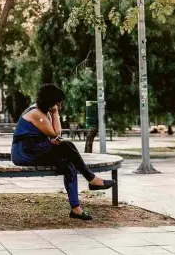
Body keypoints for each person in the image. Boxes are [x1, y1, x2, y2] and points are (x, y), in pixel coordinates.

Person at [11, 84, 115, 221]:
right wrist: (55, 113)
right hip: (25, 153)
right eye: (59, 102)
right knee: (67, 146)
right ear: (52, 102)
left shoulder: (42, 111)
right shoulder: (36, 114)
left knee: (68, 163)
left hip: (37, 149)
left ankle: (75, 208)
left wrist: (53, 118)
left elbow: (55, 137)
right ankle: (92, 179)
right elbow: (56, 134)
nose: (60, 105)